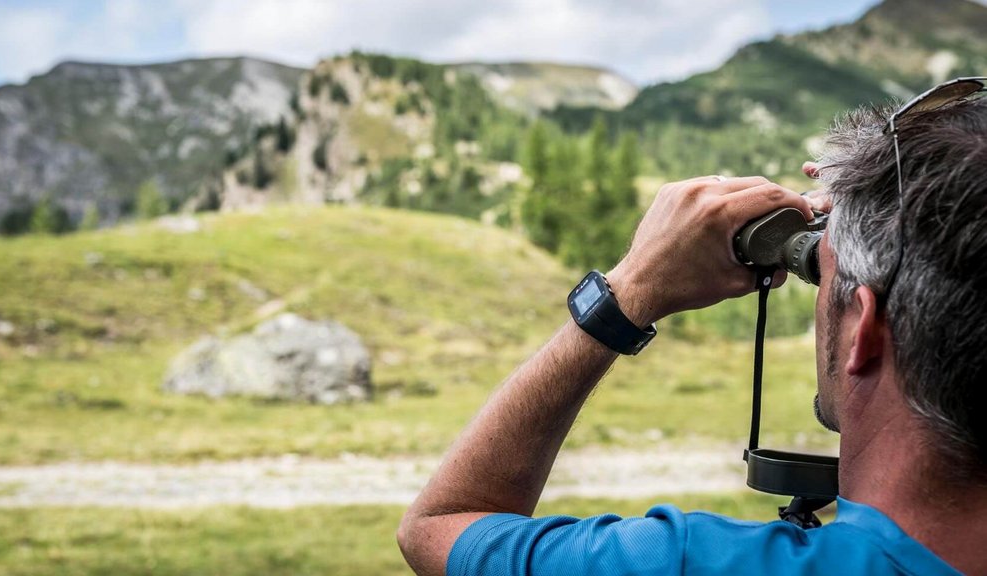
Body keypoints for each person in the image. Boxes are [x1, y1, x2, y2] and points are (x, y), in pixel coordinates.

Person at [397, 91, 987, 575]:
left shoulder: (687, 563)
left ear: (863, 329)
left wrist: (626, 294)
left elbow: (441, 525)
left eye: (820, 268)